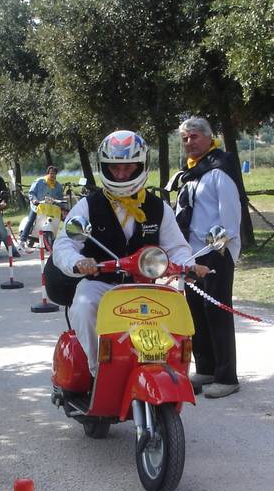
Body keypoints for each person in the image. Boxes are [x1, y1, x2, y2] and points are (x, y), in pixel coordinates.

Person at [52, 130, 206, 376]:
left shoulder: (158, 208)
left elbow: (177, 248)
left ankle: (167, 368)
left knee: (176, 309)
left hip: (144, 286)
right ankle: (98, 371)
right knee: (83, 305)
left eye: (128, 167)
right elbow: (63, 245)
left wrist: (189, 265)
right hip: (101, 284)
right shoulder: (88, 205)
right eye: (114, 168)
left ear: (141, 166)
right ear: (104, 168)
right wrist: (78, 261)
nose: (121, 174)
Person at [173, 117, 243, 398]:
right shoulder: (192, 172)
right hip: (192, 254)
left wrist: (220, 247)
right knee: (196, 313)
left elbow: (230, 216)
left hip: (216, 252)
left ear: (208, 137)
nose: (189, 143)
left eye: (194, 137)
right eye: (185, 139)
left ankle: (226, 376)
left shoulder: (219, 169)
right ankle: (206, 368)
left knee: (217, 313)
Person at [19, 165, 65, 246]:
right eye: (51, 173)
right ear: (47, 173)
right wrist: (34, 200)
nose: (52, 175)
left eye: (54, 173)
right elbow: (31, 193)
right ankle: (23, 240)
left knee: (57, 220)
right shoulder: (39, 181)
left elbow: (60, 197)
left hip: (51, 208)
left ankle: (54, 238)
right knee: (30, 220)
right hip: (38, 206)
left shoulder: (58, 186)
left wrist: (61, 202)